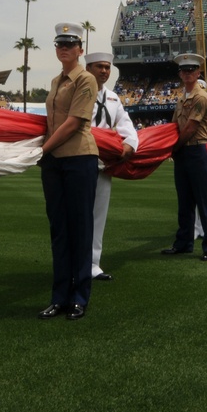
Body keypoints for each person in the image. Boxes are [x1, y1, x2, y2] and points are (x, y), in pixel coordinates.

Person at [38, 23, 99, 321]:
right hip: (53, 162)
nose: (63, 48)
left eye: (70, 44)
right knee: (59, 231)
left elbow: (75, 122)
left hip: (78, 159)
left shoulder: (86, 79)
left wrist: (42, 150)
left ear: (80, 49)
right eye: (59, 44)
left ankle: (80, 297)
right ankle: (59, 296)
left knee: (80, 229)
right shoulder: (54, 81)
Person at [84, 51, 138, 281]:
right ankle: (76, 263)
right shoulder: (80, 94)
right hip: (80, 160)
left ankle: (93, 264)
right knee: (78, 215)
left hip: (104, 167)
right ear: (88, 69)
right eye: (99, 67)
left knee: (98, 216)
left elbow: (127, 127)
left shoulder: (114, 99)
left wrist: (130, 146)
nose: (104, 71)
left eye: (107, 67)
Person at [161, 53, 207, 261]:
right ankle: (184, 243)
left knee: (205, 201)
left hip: (196, 149)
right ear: (180, 74)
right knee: (184, 201)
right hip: (184, 152)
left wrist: (172, 148)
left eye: (192, 70)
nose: (188, 73)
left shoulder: (201, 97)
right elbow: (174, 126)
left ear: (198, 73)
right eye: (184, 70)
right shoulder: (181, 98)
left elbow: (190, 128)